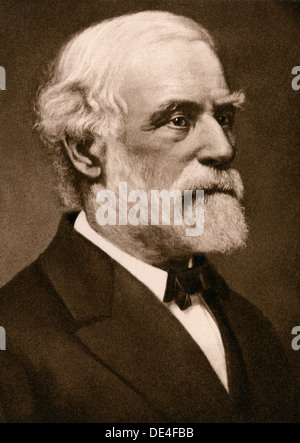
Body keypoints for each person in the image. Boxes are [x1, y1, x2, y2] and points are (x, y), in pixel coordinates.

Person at [0, 10, 296, 423]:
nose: (223, 149)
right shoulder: (15, 339)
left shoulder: (250, 324)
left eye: (224, 118)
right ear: (87, 150)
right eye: (178, 120)